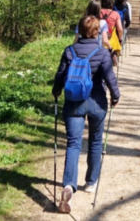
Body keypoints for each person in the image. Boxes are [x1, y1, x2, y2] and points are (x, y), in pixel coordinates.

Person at [52, 16, 121, 214]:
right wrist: (115, 96)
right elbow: (109, 77)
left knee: (73, 143)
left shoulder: (69, 51)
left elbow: (60, 75)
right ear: (97, 32)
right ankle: (90, 182)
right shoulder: (102, 52)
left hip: (73, 102)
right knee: (95, 141)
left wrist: (56, 91)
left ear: (80, 31)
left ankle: (68, 185)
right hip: (96, 103)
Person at [100, 0, 125, 65]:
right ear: (112, 3)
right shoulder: (115, 14)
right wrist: (120, 39)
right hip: (111, 38)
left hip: (100, 37)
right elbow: (120, 29)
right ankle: (113, 57)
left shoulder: (98, 12)